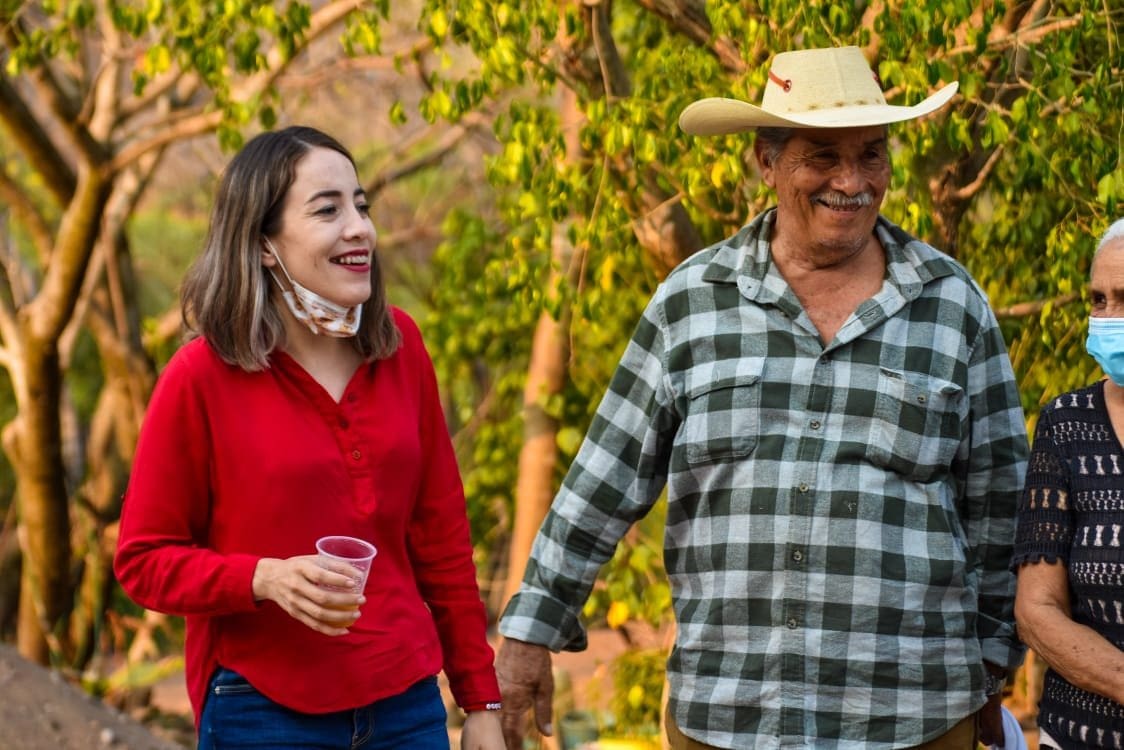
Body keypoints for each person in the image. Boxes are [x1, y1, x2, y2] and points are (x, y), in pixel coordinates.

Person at [495, 47, 1028, 750]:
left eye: (871, 155)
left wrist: (993, 661)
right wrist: (531, 631)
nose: (852, 181)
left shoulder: (951, 303)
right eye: (823, 157)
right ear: (766, 161)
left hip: (913, 714)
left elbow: (1001, 503)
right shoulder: (693, 300)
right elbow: (604, 477)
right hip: (729, 710)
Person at [114, 126, 504, 750]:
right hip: (260, 711)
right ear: (264, 245)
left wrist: (480, 699)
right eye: (328, 210)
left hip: (407, 707)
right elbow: (143, 561)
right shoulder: (199, 377)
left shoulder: (402, 348)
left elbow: (443, 541)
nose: (359, 229)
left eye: (361, 206)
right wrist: (262, 578)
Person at [1013, 218, 1124, 750]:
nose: (1108, 317)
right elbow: (1037, 610)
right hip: (1082, 734)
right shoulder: (1066, 425)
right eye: (1099, 300)